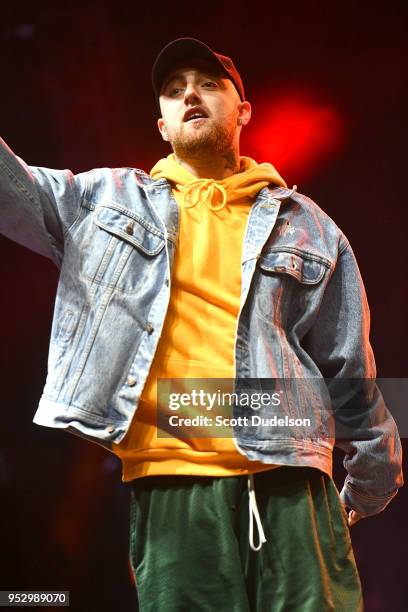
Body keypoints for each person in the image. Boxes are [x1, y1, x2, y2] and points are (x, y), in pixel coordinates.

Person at [0, 37, 403, 611]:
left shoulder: (307, 226)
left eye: (209, 84)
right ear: (161, 124)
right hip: (171, 483)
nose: (189, 93)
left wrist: (368, 484)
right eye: (172, 90)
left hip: (290, 478)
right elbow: (11, 190)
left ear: (242, 112)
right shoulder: (106, 200)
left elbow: (350, 366)